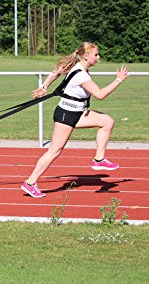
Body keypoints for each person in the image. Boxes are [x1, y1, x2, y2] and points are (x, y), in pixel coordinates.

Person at [21, 42, 129, 198]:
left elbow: (55, 73)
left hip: (79, 113)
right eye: (96, 55)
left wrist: (44, 87)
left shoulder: (76, 65)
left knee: (107, 121)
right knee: (54, 151)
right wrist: (118, 80)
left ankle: (99, 159)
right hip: (66, 114)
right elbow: (100, 95)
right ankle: (30, 183)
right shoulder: (81, 74)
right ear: (86, 56)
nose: (98, 58)